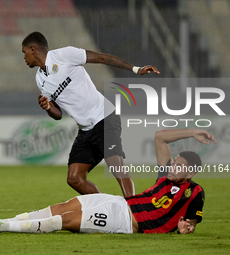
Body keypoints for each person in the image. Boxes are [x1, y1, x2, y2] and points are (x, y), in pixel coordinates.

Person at [0, 128, 216, 234]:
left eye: (180, 167)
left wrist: (187, 227)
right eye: (174, 162)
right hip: (118, 203)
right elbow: (160, 137)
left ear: (191, 173)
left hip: (125, 222)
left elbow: (191, 222)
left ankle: (0, 227)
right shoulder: (165, 175)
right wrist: (193, 131)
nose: (173, 167)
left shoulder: (194, 192)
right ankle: (1, 219)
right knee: (62, 207)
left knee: (66, 220)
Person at [22, 31, 160, 197]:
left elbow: (102, 58)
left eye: (24, 53)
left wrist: (136, 69)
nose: (24, 57)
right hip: (86, 129)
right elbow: (57, 114)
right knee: (74, 179)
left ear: (33, 49)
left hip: (104, 116)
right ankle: (106, 210)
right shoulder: (40, 79)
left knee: (116, 166)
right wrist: (47, 107)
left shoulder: (63, 55)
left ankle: (134, 212)